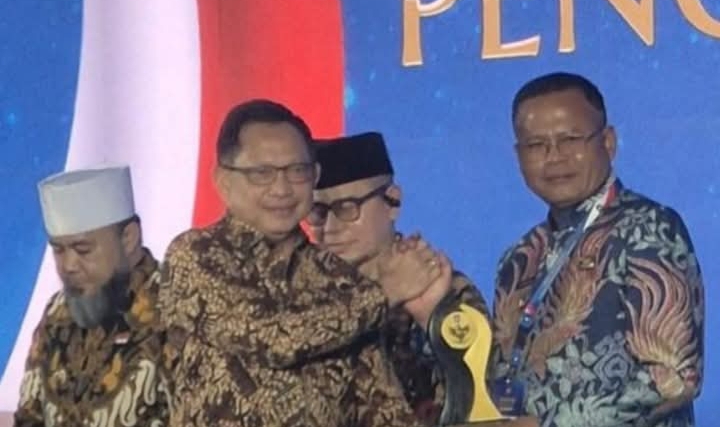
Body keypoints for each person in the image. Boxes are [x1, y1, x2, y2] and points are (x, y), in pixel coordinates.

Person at [158, 99, 450, 427]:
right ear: (223, 180)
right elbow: (273, 338)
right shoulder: (197, 255)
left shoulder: (339, 278)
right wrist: (386, 291)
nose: (282, 189)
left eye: (297, 171)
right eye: (262, 174)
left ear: (315, 176)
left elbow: (379, 402)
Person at [490, 72, 704, 427]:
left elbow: (675, 377)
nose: (554, 157)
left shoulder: (647, 228)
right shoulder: (519, 258)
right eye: (536, 145)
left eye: (570, 139)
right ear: (518, 155)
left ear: (608, 142)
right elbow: (500, 378)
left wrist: (551, 424)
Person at [308, 132, 492, 425]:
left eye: (347, 208)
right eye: (317, 212)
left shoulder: (439, 286)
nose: (330, 228)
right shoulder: (305, 296)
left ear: (392, 202)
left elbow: (482, 392)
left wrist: (429, 318)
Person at [14, 166, 169, 427]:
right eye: (58, 250)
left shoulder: (178, 311)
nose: (68, 265)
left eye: (83, 249)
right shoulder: (57, 312)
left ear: (128, 238)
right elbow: (30, 416)